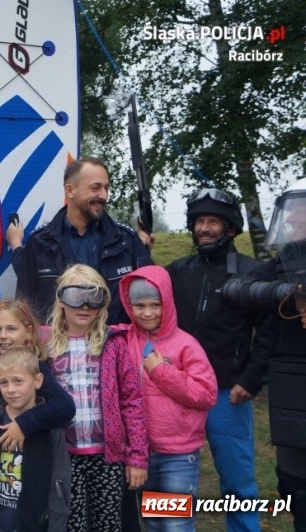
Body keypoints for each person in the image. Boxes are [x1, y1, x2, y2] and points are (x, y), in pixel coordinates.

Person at [166, 188, 270, 532]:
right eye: (199, 221)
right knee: (171, 480)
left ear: (230, 228)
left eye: (213, 221)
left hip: (229, 393)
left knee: (238, 482)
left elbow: (270, 333)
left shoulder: (253, 273)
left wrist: (251, 380)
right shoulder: (176, 272)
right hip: (178, 394)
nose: (205, 228)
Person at [224, 178, 306, 531]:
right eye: (288, 215)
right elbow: (234, 289)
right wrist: (292, 292)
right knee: (296, 482)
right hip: (292, 387)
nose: (289, 222)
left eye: (297, 215)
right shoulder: (284, 261)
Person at [43, 264, 147, 532]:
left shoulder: (114, 344)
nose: (85, 305)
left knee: (108, 525)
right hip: (63, 457)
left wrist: (137, 458)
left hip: (107, 457)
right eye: (76, 296)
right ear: (60, 299)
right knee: (71, 525)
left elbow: (132, 402)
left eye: (94, 296)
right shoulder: (46, 346)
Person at [115, 266, 217, 532]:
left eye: (155, 305)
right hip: (141, 453)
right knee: (154, 524)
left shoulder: (185, 344)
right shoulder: (125, 340)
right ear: (129, 304)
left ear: (167, 303)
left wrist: (161, 371)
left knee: (176, 525)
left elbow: (206, 394)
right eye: (139, 305)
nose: (147, 313)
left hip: (179, 455)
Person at [6, 156, 153, 325]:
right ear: (70, 191)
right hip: (55, 349)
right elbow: (25, 307)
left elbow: (152, 298)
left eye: (106, 188)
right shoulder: (39, 243)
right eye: (95, 188)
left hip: (114, 346)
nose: (104, 195)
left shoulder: (127, 241)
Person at [0, 346, 71, 532]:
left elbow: (60, 484)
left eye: (18, 381)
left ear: (37, 381)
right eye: (4, 383)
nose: (11, 389)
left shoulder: (51, 430)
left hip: (34, 525)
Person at [0, 298, 76, 448]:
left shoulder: (35, 366)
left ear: (28, 332)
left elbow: (65, 406)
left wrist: (24, 424)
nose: (3, 335)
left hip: (30, 451)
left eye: (11, 329)